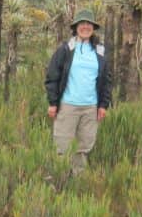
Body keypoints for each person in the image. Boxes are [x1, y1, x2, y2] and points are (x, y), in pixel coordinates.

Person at [44, 9, 111, 175]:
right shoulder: (66, 49)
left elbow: (106, 80)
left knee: (84, 146)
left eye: (89, 24)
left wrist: (103, 105)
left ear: (93, 27)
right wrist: (53, 103)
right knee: (63, 145)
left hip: (90, 107)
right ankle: (60, 179)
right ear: (76, 27)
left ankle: (78, 181)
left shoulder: (99, 51)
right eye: (82, 24)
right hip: (68, 106)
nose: (86, 27)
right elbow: (52, 76)